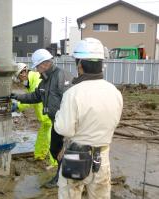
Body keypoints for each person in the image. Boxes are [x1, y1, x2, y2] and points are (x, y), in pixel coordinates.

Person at [54, 38, 123, 198]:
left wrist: (58, 115)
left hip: (75, 154)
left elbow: (65, 129)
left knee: (70, 194)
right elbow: (114, 123)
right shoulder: (114, 92)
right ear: (101, 64)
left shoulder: (73, 93)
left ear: (80, 65)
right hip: (102, 156)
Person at [10, 49, 73, 188]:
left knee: (65, 150)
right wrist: (16, 96)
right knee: (55, 149)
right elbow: (36, 96)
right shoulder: (45, 80)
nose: (36, 70)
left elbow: (72, 101)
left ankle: (61, 178)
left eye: (37, 67)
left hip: (65, 123)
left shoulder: (61, 76)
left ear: (45, 64)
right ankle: (61, 175)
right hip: (55, 122)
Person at [12, 63, 56, 166]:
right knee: (42, 137)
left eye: (19, 76)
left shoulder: (36, 80)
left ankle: (55, 164)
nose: (20, 79)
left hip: (49, 115)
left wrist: (18, 106)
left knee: (52, 140)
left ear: (23, 72)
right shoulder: (31, 81)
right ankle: (39, 156)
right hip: (45, 117)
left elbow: (32, 99)